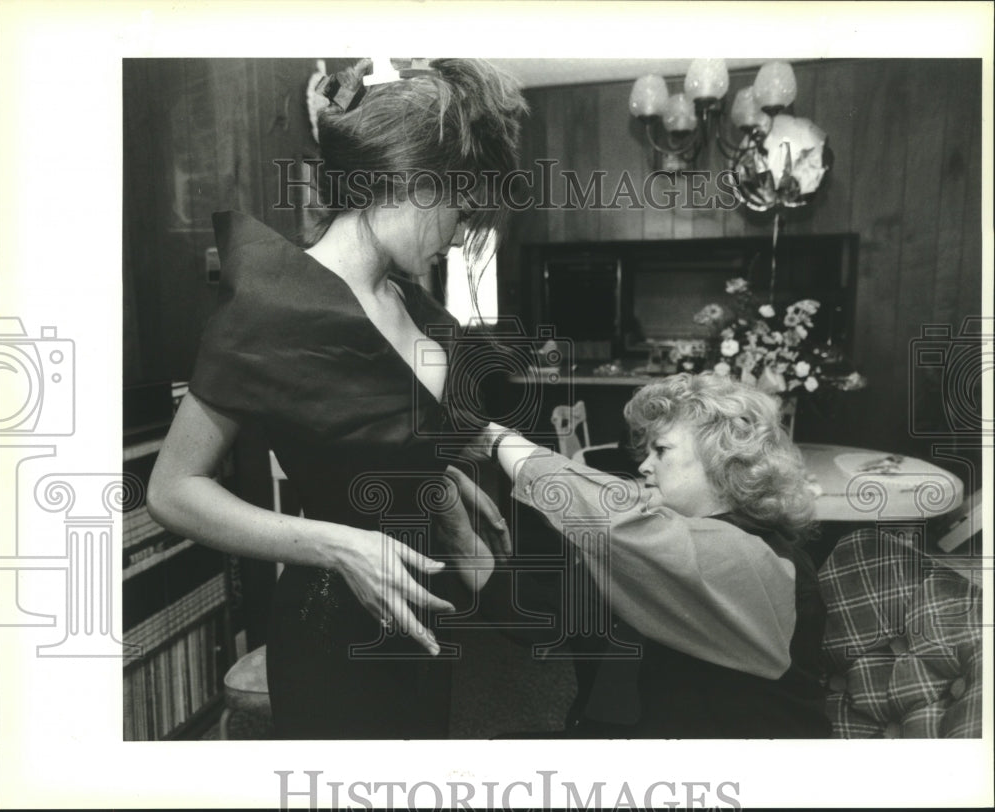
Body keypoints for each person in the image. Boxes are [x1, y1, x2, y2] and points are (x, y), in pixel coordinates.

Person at [147, 58, 526, 738]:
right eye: (458, 208)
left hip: (424, 613)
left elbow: (379, 429)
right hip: (331, 628)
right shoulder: (272, 309)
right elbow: (173, 490)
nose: (459, 232)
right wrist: (337, 546)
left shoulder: (411, 300)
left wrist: (433, 473)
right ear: (411, 184)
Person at [477, 372, 831, 738]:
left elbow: (618, 524)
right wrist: (457, 534)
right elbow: (537, 619)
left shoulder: (760, 559)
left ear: (722, 460)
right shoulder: (655, 543)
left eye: (661, 450)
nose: (644, 465)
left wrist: (495, 439)